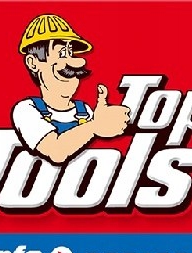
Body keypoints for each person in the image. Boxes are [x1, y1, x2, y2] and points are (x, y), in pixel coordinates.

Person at [12, 14, 131, 164]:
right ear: (33, 63)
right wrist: (95, 126)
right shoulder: (26, 110)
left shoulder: (84, 111)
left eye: (70, 52)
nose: (72, 63)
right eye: (61, 53)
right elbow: (56, 151)